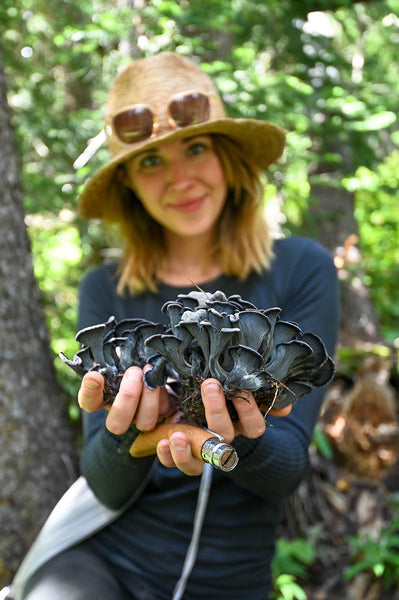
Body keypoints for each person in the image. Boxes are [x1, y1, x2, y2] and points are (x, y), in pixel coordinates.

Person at [11, 52, 339, 600]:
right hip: (102, 562)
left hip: (231, 580)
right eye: (150, 162)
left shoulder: (302, 269)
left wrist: (236, 439)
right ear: (130, 185)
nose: (180, 179)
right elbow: (104, 483)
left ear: (227, 158)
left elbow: (286, 470)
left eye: (195, 148)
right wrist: (130, 438)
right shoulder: (106, 290)